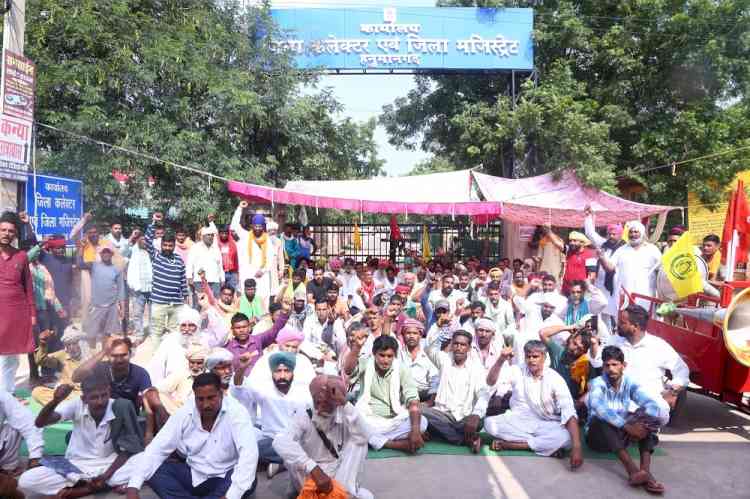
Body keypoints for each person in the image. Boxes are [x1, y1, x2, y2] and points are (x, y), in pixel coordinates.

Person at [126, 372, 259, 499]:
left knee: (247, 479)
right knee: (154, 470)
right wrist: (133, 487)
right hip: (193, 474)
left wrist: (230, 496)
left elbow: (249, 455)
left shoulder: (237, 413)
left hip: (224, 476)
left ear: (221, 394)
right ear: (194, 396)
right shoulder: (186, 412)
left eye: (211, 398)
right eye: (200, 399)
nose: (206, 404)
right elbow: (158, 448)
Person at [19, 370, 145, 497]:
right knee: (27, 480)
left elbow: (128, 449)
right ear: (84, 398)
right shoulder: (76, 405)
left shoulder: (120, 406)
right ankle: (103, 484)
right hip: (76, 466)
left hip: (108, 465)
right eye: (94, 397)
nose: (101, 401)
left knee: (143, 460)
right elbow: (40, 423)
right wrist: (55, 401)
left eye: (104, 395)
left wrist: (106, 475)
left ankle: (84, 489)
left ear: (109, 392)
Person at [484, 340, 584, 469]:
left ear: (544, 357)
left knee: (567, 438)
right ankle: (545, 446)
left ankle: (512, 445)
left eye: (535, 356)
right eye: (528, 356)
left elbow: (568, 410)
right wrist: (500, 360)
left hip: (546, 424)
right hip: (518, 421)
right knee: (489, 424)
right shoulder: (517, 370)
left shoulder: (554, 378)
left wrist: (577, 447)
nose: (531, 360)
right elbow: (490, 382)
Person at [273, 374, 373, 499]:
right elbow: (280, 441)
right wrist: (312, 468)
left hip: (338, 469)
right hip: (310, 472)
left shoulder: (344, 410)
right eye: (317, 401)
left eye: (327, 402)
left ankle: (343, 492)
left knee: (360, 442)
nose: (320, 408)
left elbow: (366, 435)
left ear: (337, 399)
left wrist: (345, 404)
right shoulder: (304, 413)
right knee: (289, 453)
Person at [586, 346, 669, 494]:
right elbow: (597, 405)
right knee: (602, 419)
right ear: (603, 367)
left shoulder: (629, 382)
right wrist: (627, 426)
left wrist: (640, 426)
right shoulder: (598, 383)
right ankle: (632, 470)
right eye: (607, 365)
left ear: (623, 366)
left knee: (646, 418)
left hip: (620, 435)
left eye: (615, 364)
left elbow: (651, 405)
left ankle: (645, 471)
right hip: (597, 438)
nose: (611, 369)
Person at [590, 304, 689, 415]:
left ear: (635, 327)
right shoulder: (614, 341)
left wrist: (673, 392)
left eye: (622, 323)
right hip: (616, 408)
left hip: (647, 411)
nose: (618, 325)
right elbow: (597, 361)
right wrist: (593, 344)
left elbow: (682, 370)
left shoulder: (658, 346)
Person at [343, 335, 427, 454]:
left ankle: (374, 440)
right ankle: (395, 444)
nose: (386, 360)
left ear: (395, 356)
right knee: (349, 422)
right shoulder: (366, 363)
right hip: (368, 419)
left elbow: (413, 400)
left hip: (393, 420)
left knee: (422, 423)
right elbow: (348, 370)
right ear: (374, 354)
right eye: (382, 355)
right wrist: (356, 347)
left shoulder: (402, 369)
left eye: (389, 356)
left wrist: (415, 429)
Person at [232, 351, 312, 474]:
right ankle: (293, 463)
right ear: (272, 373)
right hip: (272, 441)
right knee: (250, 447)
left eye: (286, 371)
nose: (282, 376)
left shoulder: (304, 391)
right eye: (278, 371)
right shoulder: (265, 390)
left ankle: (283, 463)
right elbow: (240, 388)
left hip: (298, 440)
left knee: (310, 446)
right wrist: (241, 369)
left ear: (293, 372)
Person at [423, 329, 489, 453]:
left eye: (463, 345)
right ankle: (465, 439)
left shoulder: (476, 368)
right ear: (452, 345)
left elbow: (483, 393)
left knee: (480, 421)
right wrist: (439, 328)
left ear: (469, 348)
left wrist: (475, 415)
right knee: (419, 411)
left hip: (464, 417)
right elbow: (429, 349)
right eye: (456, 344)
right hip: (442, 415)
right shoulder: (444, 360)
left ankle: (443, 433)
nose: (459, 348)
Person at [72, 337, 159, 414]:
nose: (119, 360)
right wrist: (103, 351)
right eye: (114, 356)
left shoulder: (140, 373)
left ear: (130, 354)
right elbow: (76, 377)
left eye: (123, 355)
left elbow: (149, 402)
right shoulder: (100, 368)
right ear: (108, 356)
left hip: (129, 421)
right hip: (102, 418)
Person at [0, 211, 36, 393]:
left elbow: (28, 287)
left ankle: (6, 395)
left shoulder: (21, 256)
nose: (6, 234)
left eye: (10, 231)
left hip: (16, 313)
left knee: (11, 357)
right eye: (3, 230)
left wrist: (32, 314)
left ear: (15, 234)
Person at [145, 212, 189, 346]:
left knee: (176, 332)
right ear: (162, 245)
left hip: (176, 303)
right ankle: (156, 359)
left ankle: (172, 356)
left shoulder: (179, 260)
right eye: (165, 245)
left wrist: (185, 297)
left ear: (174, 246)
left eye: (170, 245)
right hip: (158, 302)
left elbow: (182, 280)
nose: (168, 248)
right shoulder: (156, 256)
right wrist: (154, 223)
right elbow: (147, 239)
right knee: (156, 332)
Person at [597, 221, 662, 308]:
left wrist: (661, 295)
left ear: (642, 233)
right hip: (625, 296)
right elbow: (610, 267)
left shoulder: (652, 249)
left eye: (636, 232)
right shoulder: (621, 250)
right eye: (630, 232)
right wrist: (602, 258)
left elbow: (660, 271)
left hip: (646, 296)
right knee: (624, 320)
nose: (633, 234)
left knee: (644, 320)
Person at [583, 208, 625, 326]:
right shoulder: (604, 244)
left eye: (614, 234)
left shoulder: (625, 249)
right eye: (609, 234)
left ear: (620, 235)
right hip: (600, 284)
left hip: (616, 286)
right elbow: (590, 233)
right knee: (600, 314)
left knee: (616, 315)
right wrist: (589, 217)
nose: (611, 236)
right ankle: (603, 338)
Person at [79, 246, 127, 348]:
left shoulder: (117, 270)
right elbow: (79, 264)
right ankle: (91, 354)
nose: (106, 254)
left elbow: (121, 290)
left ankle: (104, 354)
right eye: (103, 252)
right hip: (96, 306)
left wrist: (122, 308)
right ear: (100, 254)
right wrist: (81, 248)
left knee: (107, 333)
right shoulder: (94, 266)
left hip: (112, 306)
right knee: (91, 333)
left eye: (108, 252)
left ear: (111, 254)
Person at [231, 201, 275, 308]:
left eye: (260, 226)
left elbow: (270, 258)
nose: (258, 228)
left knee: (263, 301)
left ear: (263, 226)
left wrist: (263, 270)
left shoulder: (267, 240)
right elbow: (234, 226)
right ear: (252, 225)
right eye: (256, 225)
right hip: (247, 273)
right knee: (246, 301)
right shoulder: (245, 236)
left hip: (262, 276)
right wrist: (239, 208)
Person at [148, 307, 206, 385]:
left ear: (197, 327)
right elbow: (156, 368)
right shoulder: (169, 341)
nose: (187, 329)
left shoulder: (204, 341)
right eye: (183, 325)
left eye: (191, 325)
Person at [31, 325, 85, 405]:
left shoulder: (90, 356)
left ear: (80, 343)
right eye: (68, 344)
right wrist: (43, 343)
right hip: (64, 393)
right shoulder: (62, 354)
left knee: (81, 397)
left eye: (74, 343)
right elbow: (41, 360)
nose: (72, 347)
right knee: (36, 392)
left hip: (80, 393)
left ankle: (59, 406)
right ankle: (65, 406)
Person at [225, 308, 290, 372]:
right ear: (232, 329)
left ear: (249, 327)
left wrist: (284, 311)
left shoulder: (258, 340)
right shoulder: (228, 349)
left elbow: (274, 331)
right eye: (238, 328)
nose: (241, 330)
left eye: (244, 327)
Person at [38, 234, 75, 342]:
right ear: (52, 248)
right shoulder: (46, 258)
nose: (60, 250)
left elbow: (71, 281)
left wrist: (72, 299)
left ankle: (62, 354)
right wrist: (27, 224)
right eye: (58, 247)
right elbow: (33, 249)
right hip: (49, 303)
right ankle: (49, 355)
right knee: (49, 331)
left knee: (64, 331)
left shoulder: (68, 260)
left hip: (65, 302)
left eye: (63, 247)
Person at [153, 343, 209, 415]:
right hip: (179, 412)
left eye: (199, 363)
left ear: (204, 363)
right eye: (192, 363)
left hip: (203, 412)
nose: (195, 367)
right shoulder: (181, 373)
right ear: (188, 361)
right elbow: (158, 389)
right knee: (156, 394)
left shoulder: (209, 376)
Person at [0, 390, 44, 477]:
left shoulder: (2, 395)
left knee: (14, 427)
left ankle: (7, 467)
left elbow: (28, 421)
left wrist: (35, 456)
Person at [398, 319, 438, 402]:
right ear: (403, 335)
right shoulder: (399, 353)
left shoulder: (428, 353)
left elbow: (434, 379)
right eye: (408, 333)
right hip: (403, 394)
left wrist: (430, 401)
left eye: (415, 333)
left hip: (424, 394)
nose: (411, 336)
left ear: (420, 335)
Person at [187, 224, 224, 308]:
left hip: (215, 281)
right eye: (208, 235)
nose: (210, 237)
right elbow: (189, 263)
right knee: (199, 305)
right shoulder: (195, 247)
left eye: (212, 235)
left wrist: (222, 278)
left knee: (215, 305)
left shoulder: (216, 248)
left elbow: (220, 265)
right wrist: (189, 277)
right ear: (203, 236)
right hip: (199, 281)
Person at [126, 231, 152, 341]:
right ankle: (139, 335)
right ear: (137, 241)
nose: (144, 242)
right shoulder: (132, 251)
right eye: (141, 239)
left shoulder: (152, 252)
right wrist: (132, 236)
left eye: (146, 240)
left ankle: (153, 333)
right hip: (137, 288)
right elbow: (123, 249)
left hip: (151, 288)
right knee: (137, 313)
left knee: (153, 313)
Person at [217, 224, 240, 291]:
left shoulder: (232, 244)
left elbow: (236, 259)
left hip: (232, 273)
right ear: (219, 233)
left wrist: (237, 273)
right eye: (222, 233)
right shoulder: (215, 245)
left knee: (232, 293)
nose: (224, 235)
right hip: (220, 273)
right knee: (220, 293)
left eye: (226, 233)